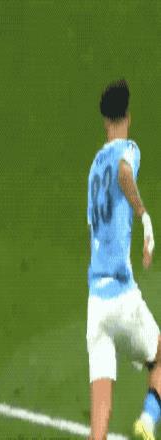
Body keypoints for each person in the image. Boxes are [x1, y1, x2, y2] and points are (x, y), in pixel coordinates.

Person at [86, 79, 160, 440]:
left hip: (95, 305)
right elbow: (125, 172)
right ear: (127, 116)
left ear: (104, 120)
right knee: (159, 356)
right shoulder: (128, 150)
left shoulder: (92, 169)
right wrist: (144, 216)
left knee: (99, 422)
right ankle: (148, 420)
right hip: (122, 295)